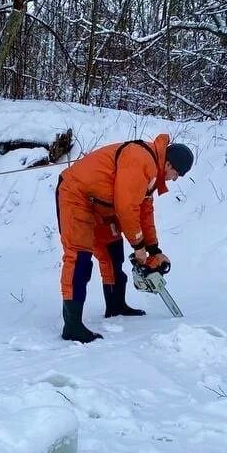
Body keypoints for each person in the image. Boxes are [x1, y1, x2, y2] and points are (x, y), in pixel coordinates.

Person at [55, 134, 194, 342]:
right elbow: (126, 206)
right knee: (80, 258)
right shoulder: (140, 159)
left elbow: (144, 211)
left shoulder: (152, 172)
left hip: (101, 205)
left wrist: (154, 250)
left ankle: (115, 305)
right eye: (176, 174)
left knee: (113, 253)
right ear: (168, 164)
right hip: (76, 195)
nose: (174, 179)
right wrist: (138, 245)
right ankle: (72, 325)